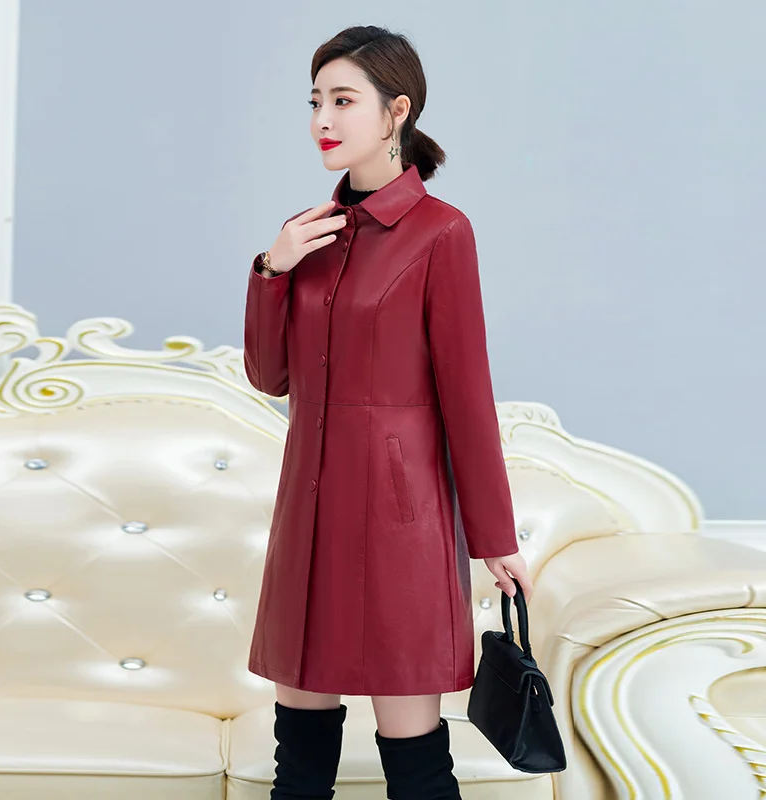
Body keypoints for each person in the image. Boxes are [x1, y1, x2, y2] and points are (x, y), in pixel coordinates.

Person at [243, 24, 533, 800]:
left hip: (400, 522)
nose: (322, 120)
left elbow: (467, 395)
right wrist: (273, 268)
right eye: (315, 102)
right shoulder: (307, 235)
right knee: (299, 763)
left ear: (396, 111)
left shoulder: (442, 233)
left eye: (343, 101)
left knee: (414, 760)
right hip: (308, 514)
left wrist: (495, 539)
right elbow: (270, 376)